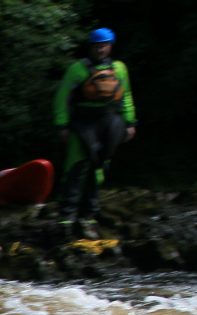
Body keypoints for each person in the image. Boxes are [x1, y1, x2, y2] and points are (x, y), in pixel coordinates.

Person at [53, 27, 137, 227]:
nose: (101, 50)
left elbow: (126, 96)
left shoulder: (119, 69)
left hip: (110, 120)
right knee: (76, 166)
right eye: (98, 46)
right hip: (84, 122)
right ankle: (66, 215)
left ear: (110, 46)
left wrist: (130, 122)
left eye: (105, 46)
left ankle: (89, 213)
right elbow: (62, 98)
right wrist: (62, 125)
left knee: (100, 166)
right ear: (91, 47)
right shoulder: (78, 69)